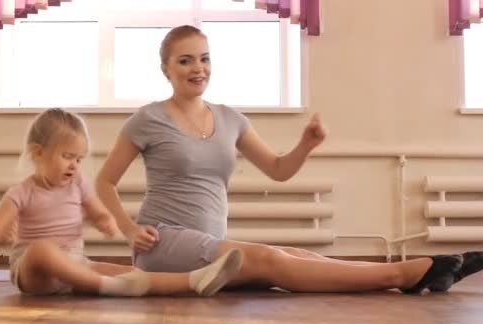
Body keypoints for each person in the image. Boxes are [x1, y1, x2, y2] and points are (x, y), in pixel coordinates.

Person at [96, 25, 483, 294]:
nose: (198, 68)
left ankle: (422, 272)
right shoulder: (148, 119)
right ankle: (405, 272)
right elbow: (104, 182)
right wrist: (130, 230)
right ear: (166, 68)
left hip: (210, 247)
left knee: (296, 256)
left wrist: (306, 145)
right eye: (185, 61)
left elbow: (278, 171)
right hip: (163, 243)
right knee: (268, 257)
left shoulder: (231, 118)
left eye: (204, 59)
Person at [0, 108, 243, 296]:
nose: (74, 165)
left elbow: (97, 211)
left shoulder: (78, 185)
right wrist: (0, 231)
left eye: (79, 159)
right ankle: (104, 287)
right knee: (41, 250)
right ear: (38, 153)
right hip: (34, 272)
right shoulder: (22, 191)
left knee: (129, 273)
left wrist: (105, 221)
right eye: (67, 156)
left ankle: (192, 280)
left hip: (75, 264)